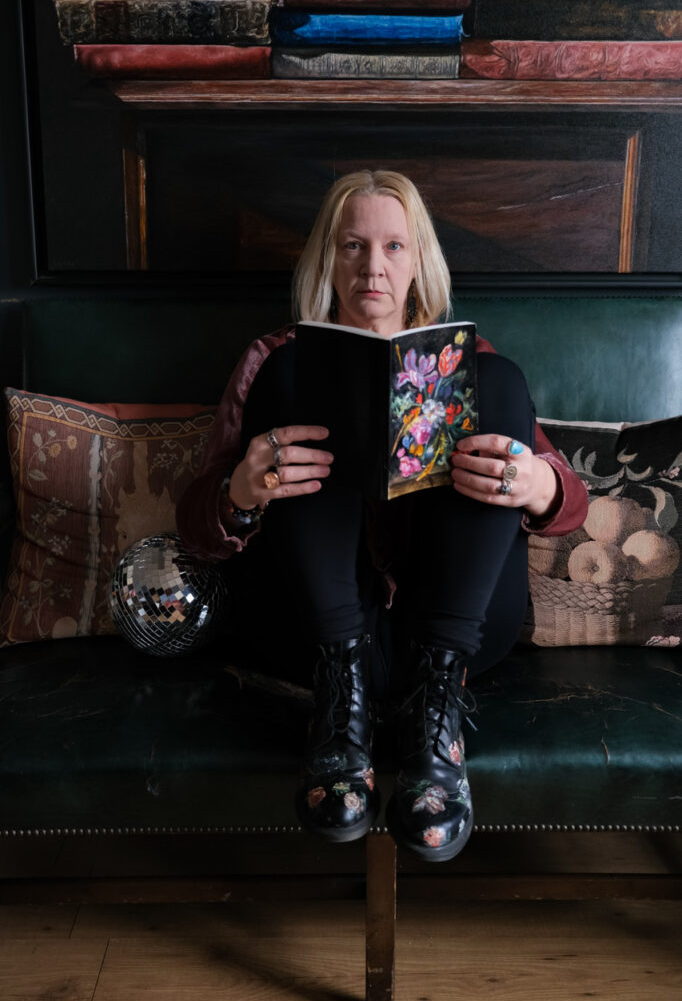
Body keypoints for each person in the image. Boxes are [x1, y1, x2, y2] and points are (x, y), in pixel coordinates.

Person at [176, 170, 587, 862]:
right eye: (353, 246)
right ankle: (340, 716)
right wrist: (238, 494)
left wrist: (542, 485)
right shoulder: (273, 360)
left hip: (448, 635)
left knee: (498, 381)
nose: (374, 266)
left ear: (419, 261)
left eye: (395, 247)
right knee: (297, 377)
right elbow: (194, 525)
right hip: (312, 632)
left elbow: (570, 508)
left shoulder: (469, 362)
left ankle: (437, 724)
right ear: (326, 260)